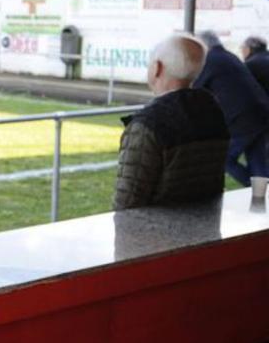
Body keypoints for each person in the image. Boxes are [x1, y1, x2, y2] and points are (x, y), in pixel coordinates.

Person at [113, 34, 229, 210]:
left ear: (157, 68)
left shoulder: (148, 125)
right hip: (206, 227)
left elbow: (127, 203)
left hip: (156, 233)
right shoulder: (212, 111)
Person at [193, 31, 269, 186]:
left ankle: (257, 190)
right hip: (260, 113)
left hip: (243, 118)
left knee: (223, 158)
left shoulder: (210, 59)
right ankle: (261, 198)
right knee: (257, 160)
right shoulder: (228, 56)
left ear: (203, 46)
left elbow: (194, 88)